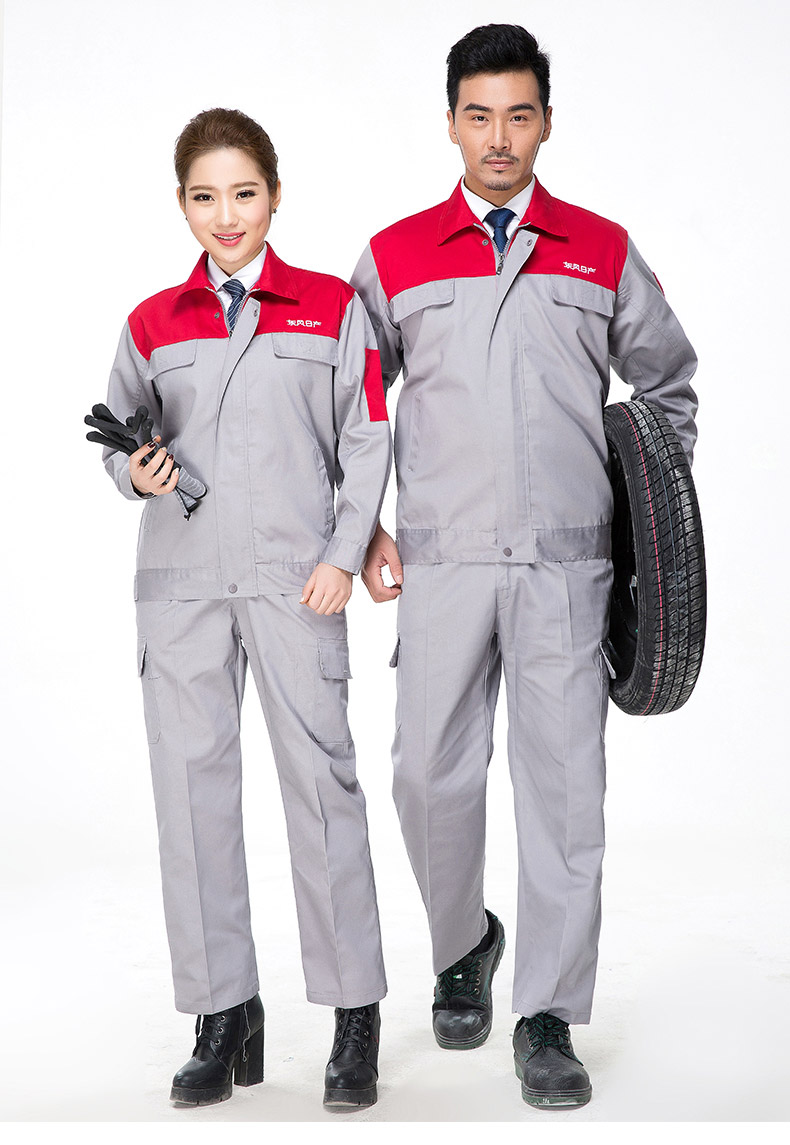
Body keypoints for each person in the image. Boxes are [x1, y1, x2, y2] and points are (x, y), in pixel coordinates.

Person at [351, 24, 697, 1109]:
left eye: (518, 114)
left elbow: (667, 385)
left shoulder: (598, 248)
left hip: (565, 569)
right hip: (444, 561)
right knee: (424, 776)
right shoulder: (397, 255)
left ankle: (547, 1011)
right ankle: (466, 941)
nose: (498, 138)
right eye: (478, 115)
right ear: (451, 124)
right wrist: (362, 526)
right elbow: (352, 404)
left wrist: (646, 513)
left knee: (565, 796)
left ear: (546, 121)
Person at [98, 107, 391, 1109]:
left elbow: (366, 436)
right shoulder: (151, 321)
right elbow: (117, 437)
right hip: (181, 585)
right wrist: (132, 473)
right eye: (204, 196)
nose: (225, 216)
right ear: (182, 204)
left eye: (243, 193)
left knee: (322, 789)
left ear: (274, 194)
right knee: (191, 798)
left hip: (297, 580)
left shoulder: (328, 306)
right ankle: (223, 1011)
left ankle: (353, 1012)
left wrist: (344, 554)